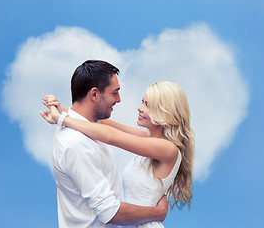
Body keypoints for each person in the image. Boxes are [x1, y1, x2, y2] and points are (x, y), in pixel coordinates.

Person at [42, 78, 194, 227]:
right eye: (143, 101)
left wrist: (61, 119)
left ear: (165, 112)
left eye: (148, 105)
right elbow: (101, 122)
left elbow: (110, 136)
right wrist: (60, 109)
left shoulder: (167, 149)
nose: (140, 108)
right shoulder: (147, 138)